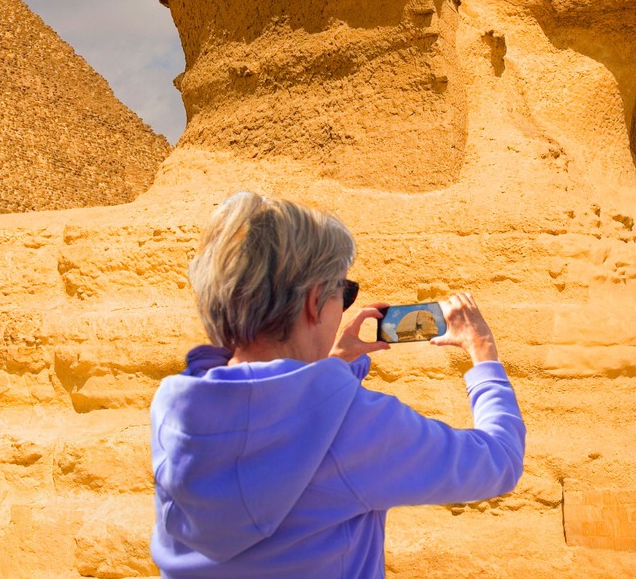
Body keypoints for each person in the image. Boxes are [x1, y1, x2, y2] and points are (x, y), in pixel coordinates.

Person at [150, 191, 526, 577]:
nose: (343, 307)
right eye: (344, 293)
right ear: (315, 301)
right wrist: (484, 355)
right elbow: (500, 461)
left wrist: (335, 363)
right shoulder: (357, 427)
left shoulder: (175, 408)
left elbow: (268, 419)